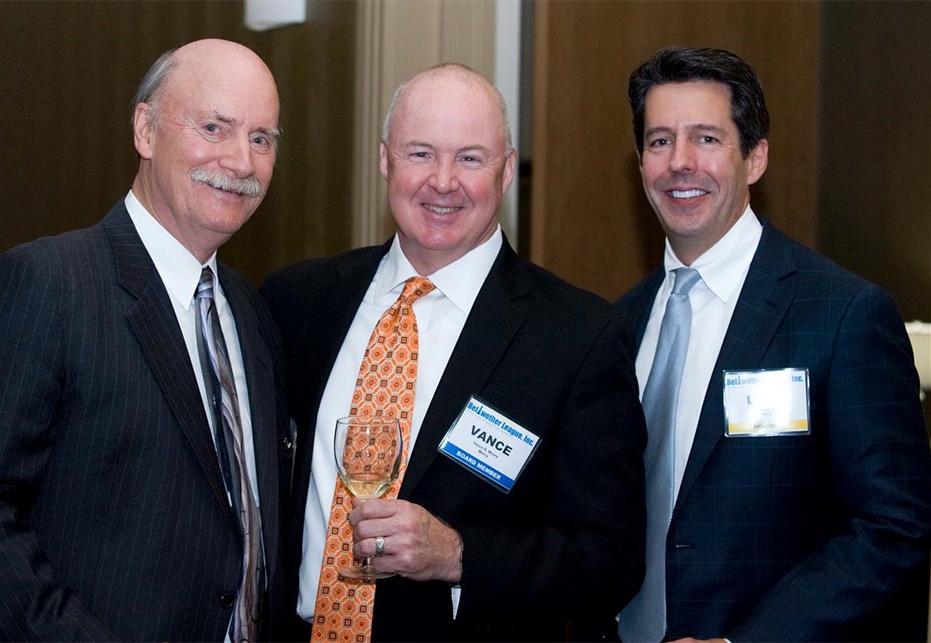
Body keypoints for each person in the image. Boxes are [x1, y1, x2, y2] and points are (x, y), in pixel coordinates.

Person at [261, 63, 646, 642]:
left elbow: (608, 559)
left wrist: (461, 555)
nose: (443, 181)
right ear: (386, 159)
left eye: (470, 158)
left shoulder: (576, 336)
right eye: (420, 154)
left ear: (507, 170)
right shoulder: (297, 302)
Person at [0, 39, 292, 641]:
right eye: (213, 127)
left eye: (262, 139)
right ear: (145, 130)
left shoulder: (251, 316)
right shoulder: (42, 285)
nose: (240, 161)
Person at [616, 46, 931, 642]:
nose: (680, 162)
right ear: (639, 163)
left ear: (755, 157)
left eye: (706, 139)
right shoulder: (619, 324)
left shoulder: (844, 315)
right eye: (660, 141)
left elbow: (894, 528)